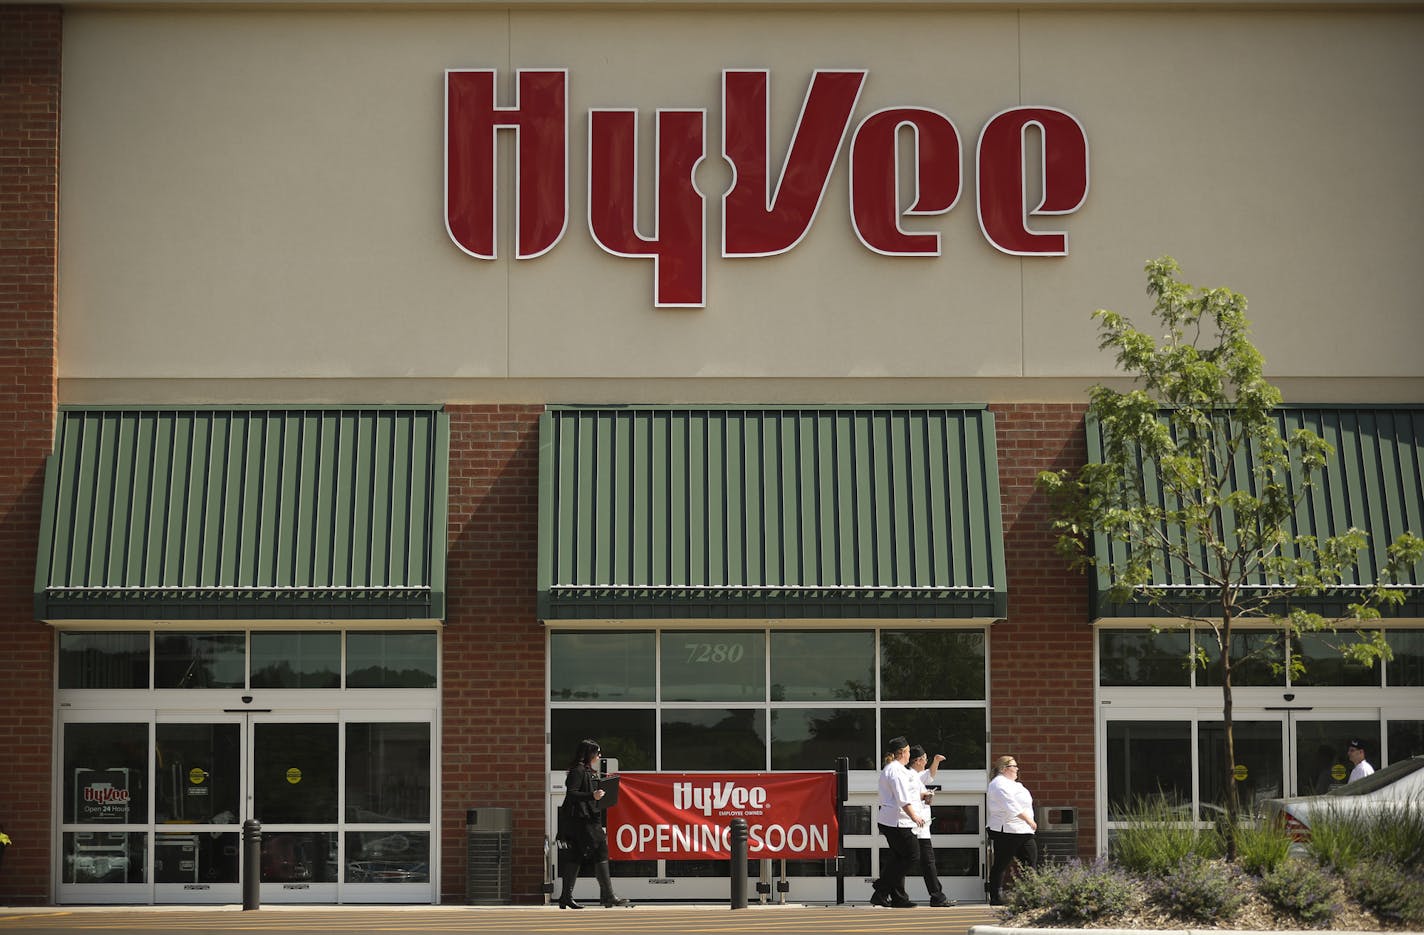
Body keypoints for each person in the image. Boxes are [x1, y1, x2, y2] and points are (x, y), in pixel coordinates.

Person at [555, 739, 631, 909]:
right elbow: (572, 794)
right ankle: (608, 896)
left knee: (575, 856)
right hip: (582, 821)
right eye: (597, 752)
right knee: (601, 850)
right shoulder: (578, 771)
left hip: (584, 820)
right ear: (589, 753)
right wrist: (593, 795)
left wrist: (600, 793)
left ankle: (566, 897)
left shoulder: (587, 771)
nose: (599, 756)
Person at [869, 736, 922, 908]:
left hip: (892, 820)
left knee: (898, 858)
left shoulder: (895, 769)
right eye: (908, 752)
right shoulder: (895, 771)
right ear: (902, 753)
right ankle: (882, 887)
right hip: (896, 821)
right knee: (912, 856)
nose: (909, 755)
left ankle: (897, 898)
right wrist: (915, 817)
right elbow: (902, 799)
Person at [986, 754, 1038, 906]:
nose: (1017, 769)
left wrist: (1028, 823)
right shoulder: (998, 784)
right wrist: (1029, 820)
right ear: (1003, 769)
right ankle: (995, 898)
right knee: (1001, 864)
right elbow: (1011, 806)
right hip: (1007, 831)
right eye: (1013, 766)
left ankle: (1032, 896)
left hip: (1025, 831)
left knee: (1030, 863)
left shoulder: (1016, 785)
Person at [907, 745, 955, 907]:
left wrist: (936, 761)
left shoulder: (917, 776)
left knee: (912, 861)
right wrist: (925, 795)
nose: (926, 762)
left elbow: (930, 775)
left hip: (921, 826)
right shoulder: (910, 776)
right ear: (919, 761)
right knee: (921, 861)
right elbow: (909, 798)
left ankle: (936, 896)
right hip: (915, 826)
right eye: (925, 759)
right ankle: (937, 896)